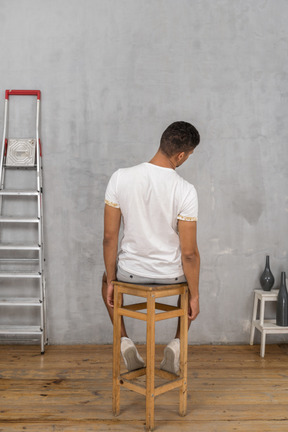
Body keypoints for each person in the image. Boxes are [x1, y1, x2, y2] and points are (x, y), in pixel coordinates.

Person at [102, 121, 200, 374]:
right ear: (180, 155)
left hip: (130, 273)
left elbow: (109, 238)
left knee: (105, 280)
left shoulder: (120, 177)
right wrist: (196, 295)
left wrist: (112, 280)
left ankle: (124, 341)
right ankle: (177, 345)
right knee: (188, 287)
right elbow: (189, 253)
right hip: (171, 275)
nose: (187, 158)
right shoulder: (186, 190)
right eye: (188, 155)